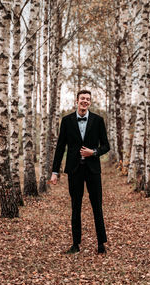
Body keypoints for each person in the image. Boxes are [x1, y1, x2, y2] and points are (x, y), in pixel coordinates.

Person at [50, 90, 110, 254]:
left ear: (90, 102)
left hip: (93, 170)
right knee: (75, 207)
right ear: (77, 100)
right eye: (82, 98)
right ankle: (75, 244)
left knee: (97, 206)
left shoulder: (98, 120)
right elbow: (61, 147)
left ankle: (100, 243)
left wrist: (94, 152)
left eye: (88, 99)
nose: (85, 101)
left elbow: (106, 146)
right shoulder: (67, 121)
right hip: (74, 170)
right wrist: (55, 171)